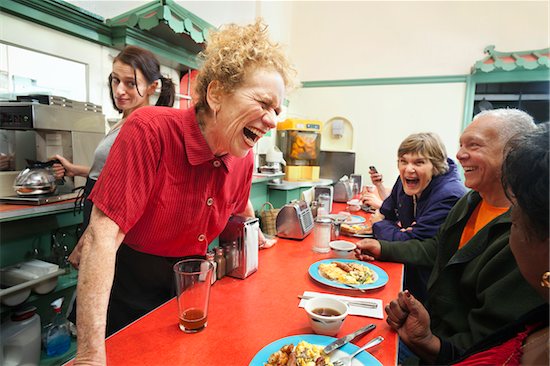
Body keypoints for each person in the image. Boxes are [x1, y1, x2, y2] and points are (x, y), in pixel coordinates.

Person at [73, 19, 296, 365]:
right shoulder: (149, 131)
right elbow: (102, 237)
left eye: (277, 111)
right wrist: (89, 354)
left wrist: (259, 238)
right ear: (216, 94)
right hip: (132, 287)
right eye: (264, 103)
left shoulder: (244, 156)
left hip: (192, 289)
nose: (272, 121)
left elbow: (239, 206)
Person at [355, 109, 545, 362]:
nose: (458, 155)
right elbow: (437, 247)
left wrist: (429, 344)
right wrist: (383, 248)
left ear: (515, 154)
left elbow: (491, 341)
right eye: (460, 145)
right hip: (429, 327)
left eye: (474, 145)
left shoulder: (530, 231)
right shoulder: (471, 200)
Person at [52, 45, 176, 235]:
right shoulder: (124, 121)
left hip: (108, 218)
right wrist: (74, 170)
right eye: (115, 80)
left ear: (152, 87)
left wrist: (91, 235)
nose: (119, 90)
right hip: (95, 205)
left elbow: (126, 191)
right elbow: (112, 172)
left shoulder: (142, 128)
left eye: (130, 84)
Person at [362, 132, 466, 303]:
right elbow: (388, 210)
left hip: (429, 293)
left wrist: (380, 225)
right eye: (403, 161)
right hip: (407, 270)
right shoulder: (408, 179)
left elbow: (411, 242)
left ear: (436, 165)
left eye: (419, 162)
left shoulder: (449, 195)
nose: (408, 169)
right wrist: (396, 228)